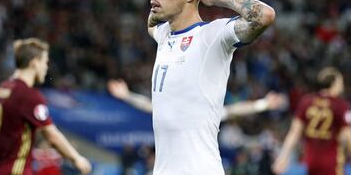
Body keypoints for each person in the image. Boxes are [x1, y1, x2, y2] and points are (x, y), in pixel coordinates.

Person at [146, 0, 275, 175]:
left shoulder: (213, 36)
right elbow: (151, 23)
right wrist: (159, 1)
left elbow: (264, 16)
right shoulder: (164, 35)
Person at [0, 38, 91, 175]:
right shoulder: (29, 96)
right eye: (45, 62)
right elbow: (51, 135)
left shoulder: (2, 90)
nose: (46, 67)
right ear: (34, 62)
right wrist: (76, 158)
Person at [272, 67, 351, 175]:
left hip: (311, 160)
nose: (341, 87)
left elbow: (294, 132)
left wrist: (283, 156)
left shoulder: (306, 102)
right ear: (333, 83)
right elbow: (348, 136)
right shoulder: (340, 105)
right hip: (331, 160)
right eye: (340, 82)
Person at [107, 79, 286, 120]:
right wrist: (127, 95)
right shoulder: (176, 110)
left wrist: (263, 104)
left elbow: (233, 110)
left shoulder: (204, 111)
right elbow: (148, 106)